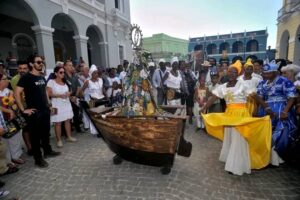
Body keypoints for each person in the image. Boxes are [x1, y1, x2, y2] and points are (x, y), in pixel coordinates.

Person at [201, 63, 272, 175]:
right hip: (229, 115)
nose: (232, 74)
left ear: (238, 73)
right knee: (231, 138)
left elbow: (255, 97)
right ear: (226, 73)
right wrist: (204, 108)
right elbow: (213, 98)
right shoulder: (223, 87)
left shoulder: (242, 85)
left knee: (238, 139)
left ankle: (237, 165)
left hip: (241, 115)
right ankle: (231, 160)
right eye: (230, 72)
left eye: (234, 72)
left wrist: (266, 107)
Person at [15, 55, 61, 168]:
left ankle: (47, 151)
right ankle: (38, 159)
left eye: (42, 62)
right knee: (35, 137)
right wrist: (23, 109)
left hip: (45, 110)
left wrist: (49, 104)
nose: (41, 63)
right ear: (31, 64)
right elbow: (17, 93)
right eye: (38, 62)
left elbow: (44, 91)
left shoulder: (41, 76)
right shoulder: (26, 77)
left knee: (46, 133)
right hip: (34, 112)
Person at [255, 61, 297, 165]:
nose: (266, 75)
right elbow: (259, 98)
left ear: (275, 72)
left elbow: (292, 97)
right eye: (265, 73)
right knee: (266, 134)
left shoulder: (284, 81)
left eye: (269, 73)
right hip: (266, 111)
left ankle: (278, 159)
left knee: (279, 134)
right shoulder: (262, 83)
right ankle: (267, 158)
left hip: (280, 110)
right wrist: (260, 108)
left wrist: (285, 111)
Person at [47, 66, 77, 148]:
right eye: (61, 72)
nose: (63, 74)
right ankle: (59, 140)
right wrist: (60, 95)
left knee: (67, 120)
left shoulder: (66, 81)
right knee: (58, 123)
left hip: (66, 103)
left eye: (63, 72)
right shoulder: (51, 82)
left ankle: (69, 137)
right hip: (56, 104)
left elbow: (70, 91)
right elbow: (49, 94)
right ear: (56, 73)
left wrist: (70, 95)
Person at [0, 74, 24, 165]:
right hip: (2, 120)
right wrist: (8, 110)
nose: (7, 81)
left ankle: (15, 156)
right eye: (5, 79)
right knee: (4, 141)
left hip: (12, 119)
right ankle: (8, 161)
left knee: (15, 137)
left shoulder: (9, 91)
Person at [10, 61, 31, 155]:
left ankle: (34, 144)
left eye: (24, 68)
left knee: (33, 128)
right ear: (18, 69)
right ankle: (29, 147)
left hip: (32, 106)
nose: (22, 70)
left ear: (28, 68)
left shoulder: (31, 77)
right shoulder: (14, 80)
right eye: (20, 68)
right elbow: (15, 95)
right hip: (22, 107)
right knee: (26, 128)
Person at [63, 60, 83, 133]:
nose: (71, 67)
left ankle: (78, 128)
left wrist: (76, 96)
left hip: (75, 97)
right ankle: (66, 130)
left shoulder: (74, 76)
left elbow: (78, 87)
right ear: (65, 67)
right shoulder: (63, 76)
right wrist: (70, 97)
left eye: (72, 65)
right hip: (66, 97)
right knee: (66, 114)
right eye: (69, 65)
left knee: (76, 113)